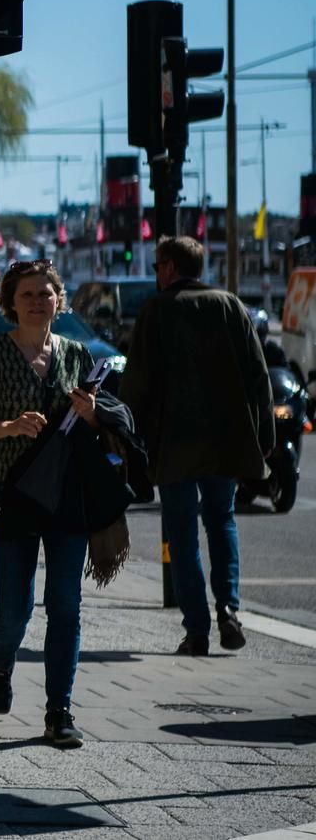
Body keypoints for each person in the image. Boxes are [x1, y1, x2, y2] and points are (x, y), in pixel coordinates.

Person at [0, 259, 99, 748]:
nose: (38, 302)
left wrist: (91, 414)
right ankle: (2, 665)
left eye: (46, 294)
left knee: (65, 605)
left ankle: (59, 711)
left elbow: (94, 428)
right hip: (9, 493)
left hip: (66, 496)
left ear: (59, 301)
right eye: (27, 295)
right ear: (10, 303)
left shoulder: (77, 354)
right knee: (14, 608)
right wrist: (10, 427)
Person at [120, 236, 273, 657]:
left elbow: (137, 385)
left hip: (175, 445)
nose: (155, 274)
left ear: (169, 267)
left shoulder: (158, 311)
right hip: (224, 441)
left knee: (183, 535)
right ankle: (228, 609)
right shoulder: (230, 306)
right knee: (221, 522)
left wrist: (127, 440)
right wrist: (264, 441)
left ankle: (197, 630)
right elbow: (258, 376)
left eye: (156, 266)